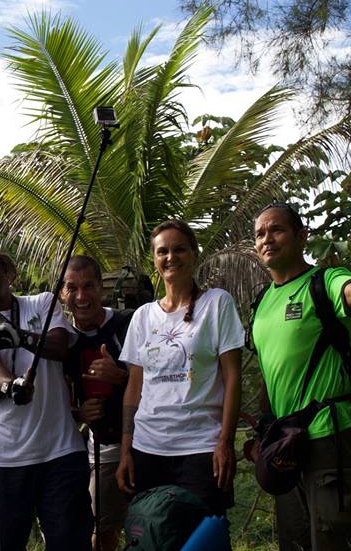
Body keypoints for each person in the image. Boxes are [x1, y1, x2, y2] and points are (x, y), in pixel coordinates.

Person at [248, 202, 351, 550]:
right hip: (284, 439)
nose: (267, 239)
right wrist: (264, 430)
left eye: (277, 230)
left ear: (302, 237)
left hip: (327, 436)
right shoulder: (261, 303)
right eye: (260, 234)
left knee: (333, 541)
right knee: (294, 541)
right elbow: (272, 372)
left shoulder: (323, 281)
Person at [0, 241, 92, 551]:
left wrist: (22, 338)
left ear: (7, 271)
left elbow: (60, 347)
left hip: (61, 453)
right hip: (2, 458)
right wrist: (12, 386)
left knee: (71, 543)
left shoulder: (42, 303)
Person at [115, 220, 243, 517]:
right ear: (155, 259)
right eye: (162, 252)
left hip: (201, 450)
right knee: (153, 538)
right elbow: (134, 389)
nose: (170, 257)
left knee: (202, 539)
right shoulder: (143, 317)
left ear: (194, 254)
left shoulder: (216, 304)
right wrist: (126, 451)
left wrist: (225, 442)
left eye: (179, 249)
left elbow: (232, 377)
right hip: (148, 450)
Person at [62, 255, 137, 551]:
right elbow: (56, 398)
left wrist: (121, 375)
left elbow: (161, 380)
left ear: (101, 289)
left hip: (147, 443)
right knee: (101, 534)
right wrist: (78, 413)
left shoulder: (128, 323)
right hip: (102, 449)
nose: (81, 297)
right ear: (61, 294)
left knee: (151, 526)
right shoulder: (63, 340)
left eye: (89, 286)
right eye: (72, 288)